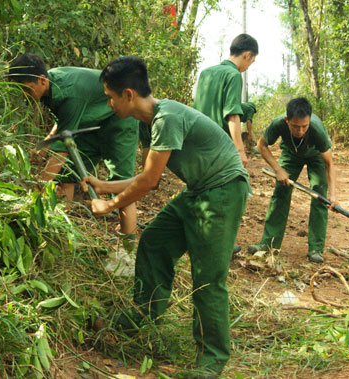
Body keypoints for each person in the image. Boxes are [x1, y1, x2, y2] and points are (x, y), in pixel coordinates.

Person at [82, 55, 250, 376]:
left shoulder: (167, 117)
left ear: (128, 95)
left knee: (207, 277)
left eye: (110, 97)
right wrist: (103, 185)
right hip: (198, 190)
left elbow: (149, 182)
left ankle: (211, 362)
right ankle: (144, 315)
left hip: (224, 189)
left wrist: (111, 204)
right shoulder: (148, 124)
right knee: (155, 242)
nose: (109, 104)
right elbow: (145, 175)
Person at [8, 53, 139, 244]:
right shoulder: (49, 86)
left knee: (122, 182)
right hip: (91, 124)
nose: (24, 96)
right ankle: (61, 227)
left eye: (27, 90)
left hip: (121, 121)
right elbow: (63, 124)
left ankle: (127, 244)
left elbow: (61, 151)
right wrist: (43, 145)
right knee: (65, 175)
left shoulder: (69, 92)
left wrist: (37, 190)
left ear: (41, 80)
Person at [247, 97, 337, 264]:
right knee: (281, 192)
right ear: (287, 120)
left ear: (309, 121)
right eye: (295, 127)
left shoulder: (317, 130)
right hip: (290, 154)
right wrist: (278, 169)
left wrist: (332, 195)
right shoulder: (278, 123)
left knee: (319, 195)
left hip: (316, 156)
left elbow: (329, 164)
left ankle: (316, 248)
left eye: (304, 126)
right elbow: (261, 146)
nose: (300, 131)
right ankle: (268, 244)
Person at [193, 33, 258, 169]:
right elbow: (232, 115)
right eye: (251, 62)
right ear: (247, 55)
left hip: (197, 143)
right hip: (219, 146)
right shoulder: (233, 75)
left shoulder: (206, 72)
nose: (248, 67)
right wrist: (240, 151)